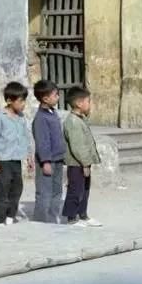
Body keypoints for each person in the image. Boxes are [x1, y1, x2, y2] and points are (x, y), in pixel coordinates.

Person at [0, 82, 34, 226]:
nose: (23, 104)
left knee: (17, 189)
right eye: (20, 101)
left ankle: (10, 216)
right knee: (2, 191)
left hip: (16, 160)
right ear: (9, 100)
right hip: (3, 160)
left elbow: (25, 137)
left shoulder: (21, 117)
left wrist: (29, 156)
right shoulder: (0, 117)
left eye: (24, 100)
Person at [62, 87, 103, 227]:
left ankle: (83, 215)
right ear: (79, 103)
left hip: (83, 162)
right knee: (75, 190)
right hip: (77, 163)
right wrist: (85, 163)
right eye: (88, 101)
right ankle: (71, 218)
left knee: (84, 189)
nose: (90, 104)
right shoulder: (73, 122)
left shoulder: (81, 119)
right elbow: (78, 146)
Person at [32, 80, 67, 224]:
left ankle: (53, 219)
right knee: (44, 193)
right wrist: (45, 161)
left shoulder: (53, 113)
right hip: (47, 161)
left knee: (57, 191)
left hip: (57, 159)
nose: (58, 97)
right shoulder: (40, 118)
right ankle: (40, 222)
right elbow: (42, 142)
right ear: (45, 99)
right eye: (55, 95)